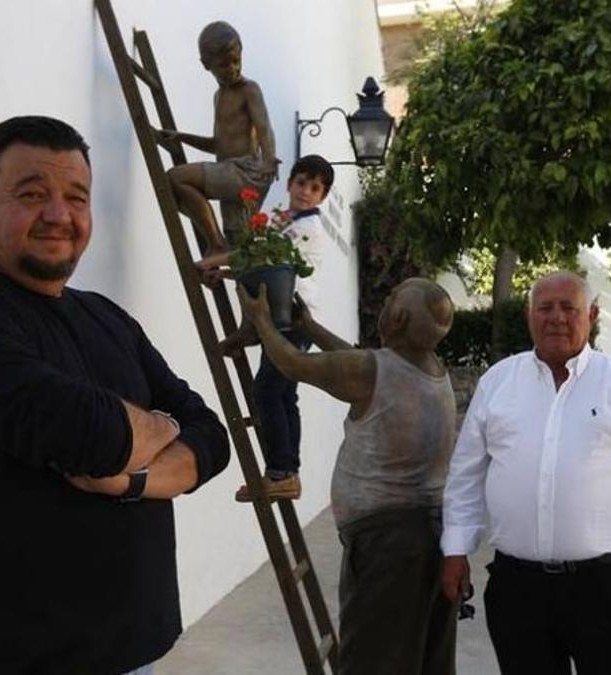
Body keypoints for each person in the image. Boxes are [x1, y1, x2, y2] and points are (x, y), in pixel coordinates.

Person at [0, 116, 230, 675]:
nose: (59, 216)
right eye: (32, 194)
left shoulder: (107, 318)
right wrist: (161, 428)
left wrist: (131, 477)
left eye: (76, 197)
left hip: (131, 658)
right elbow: (93, 436)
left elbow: (212, 437)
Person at [440, 271, 611, 674]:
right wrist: (455, 549)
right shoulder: (498, 383)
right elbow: (465, 473)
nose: (556, 317)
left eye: (569, 307)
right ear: (530, 316)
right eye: (545, 308)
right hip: (518, 588)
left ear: (592, 314)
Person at [238, 277, 459, 675]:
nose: (386, 301)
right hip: (429, 536)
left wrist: (261, 320)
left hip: (388, 547)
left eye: (391, 296)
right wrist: (310, 327)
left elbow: (293, 364)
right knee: (425, 660)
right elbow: (358, 362)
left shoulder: (371, 370)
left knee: (372, 662)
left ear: (398, 316)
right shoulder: (431, 368)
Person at [194, 154, 333, 500]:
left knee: (269, 392)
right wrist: (226, 274)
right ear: (290, 184)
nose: (305, 191)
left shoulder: (307, 227)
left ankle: (281, 472)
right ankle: (287, 472)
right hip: (280, 317)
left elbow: (264, 258)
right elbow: (260, 263)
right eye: (301, 183)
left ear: (323, 197)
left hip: (294, 320)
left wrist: (212, 261)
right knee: (283, 395)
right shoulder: (282, 218)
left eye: (315, 188)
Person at [156, 20, 278, 257]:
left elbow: (264, 127)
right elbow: (218, 144)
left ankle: (215, 244)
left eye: (236, 61)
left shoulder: (249, 89)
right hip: (228, 170)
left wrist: (269, 159)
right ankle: (220, 258)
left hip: (246, 171)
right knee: (239, 242)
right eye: (224, 65)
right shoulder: (219, 96)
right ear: (206, 65)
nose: (232, 69)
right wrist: (182, 137)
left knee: (175, 178)